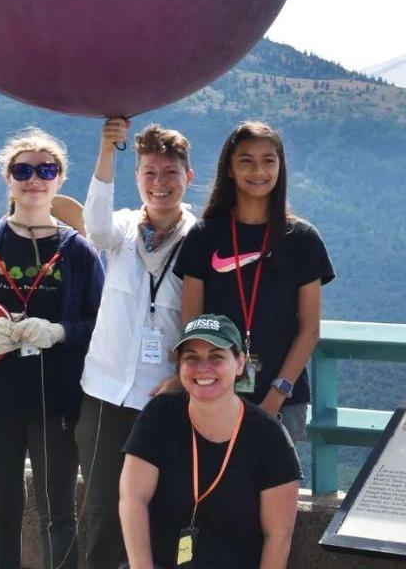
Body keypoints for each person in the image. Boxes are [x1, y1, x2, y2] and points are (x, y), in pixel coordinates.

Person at [0, 127, 103, 569]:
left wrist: (59, 332)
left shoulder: (78, 251)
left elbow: (99, 325)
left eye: (45, 170)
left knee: (59, 517)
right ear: (8, 178)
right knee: (2, 517)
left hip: (56, 399)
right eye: (23, 170)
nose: (34, 178)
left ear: (59, 179)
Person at [77, 117, 196, 569]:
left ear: (189, 177)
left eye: (170, 173)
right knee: (103, 511)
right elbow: (94, 223)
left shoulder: (199, 238)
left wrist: (182, 380)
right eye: (149, 173)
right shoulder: (121, 229)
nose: (159, 184)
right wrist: (108, 148)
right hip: (106, 392)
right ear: (137, 177)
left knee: (167, 509)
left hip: (166, 396)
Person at [175, 121, 333, 443]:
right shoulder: (204, 237)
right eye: (246, 160)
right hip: (214, 393)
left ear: (280, 167)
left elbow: (310, 329)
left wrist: (276, 396)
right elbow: (192, 324)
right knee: (217, 490)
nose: (258, 170)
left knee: (275, 491)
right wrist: (211, 385)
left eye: (268, 160)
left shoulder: (302, 239)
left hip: (284, 400)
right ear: (230, 169)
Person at [118, 314, 300, 569]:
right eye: (191, 358)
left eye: (216, 357)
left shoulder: (269, 436)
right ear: (179, 366)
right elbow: (132, 499)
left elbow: (279, 536)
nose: (203, 367)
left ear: (239, 364)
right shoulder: (159, 415)